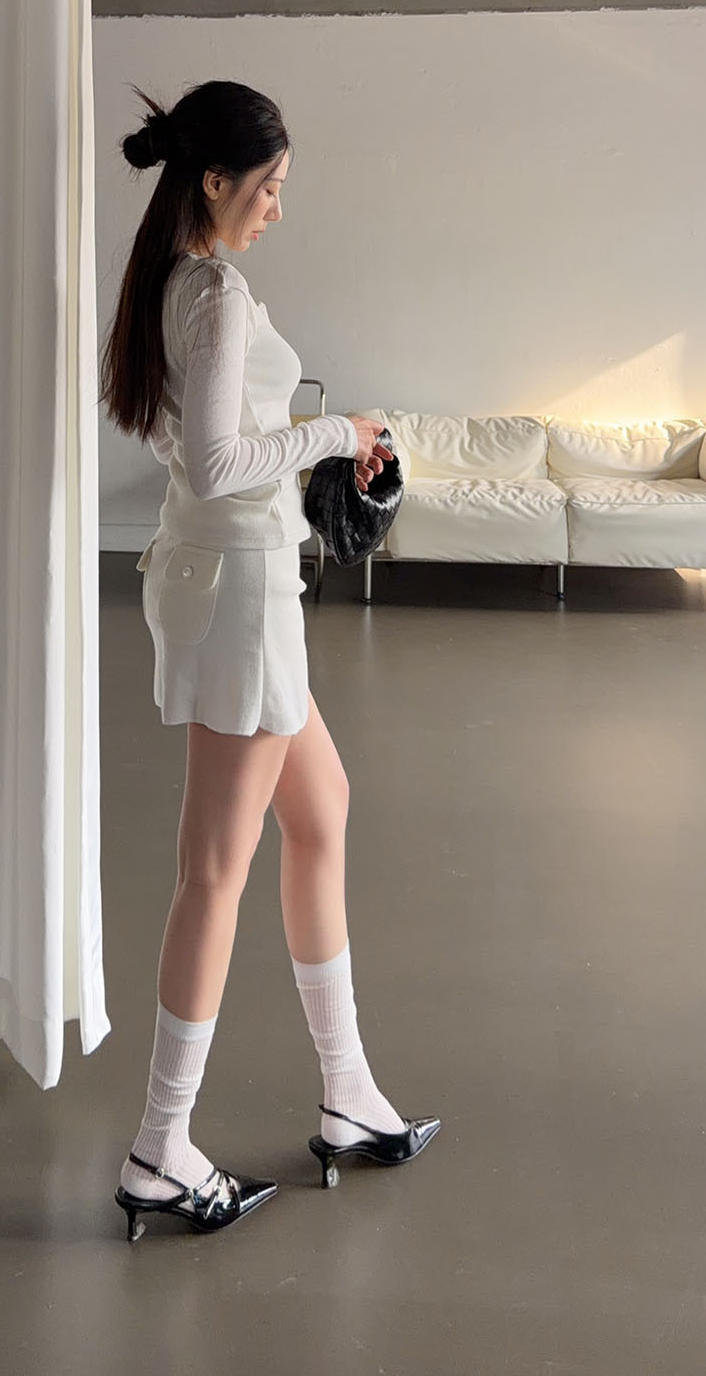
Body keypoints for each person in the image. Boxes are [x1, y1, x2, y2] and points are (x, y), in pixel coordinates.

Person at [99, 78, 440, 1243]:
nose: (278, 208)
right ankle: (160, 1146)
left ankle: (348, 1092)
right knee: (213, 872)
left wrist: (320, 449)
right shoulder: (214, 290)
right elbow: (216, 460)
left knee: (321, 809)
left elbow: (203, 451)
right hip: (241, 597)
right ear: (215, 181)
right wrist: (335, 434)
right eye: (270, 186)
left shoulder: (172, 281)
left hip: (238, 586)